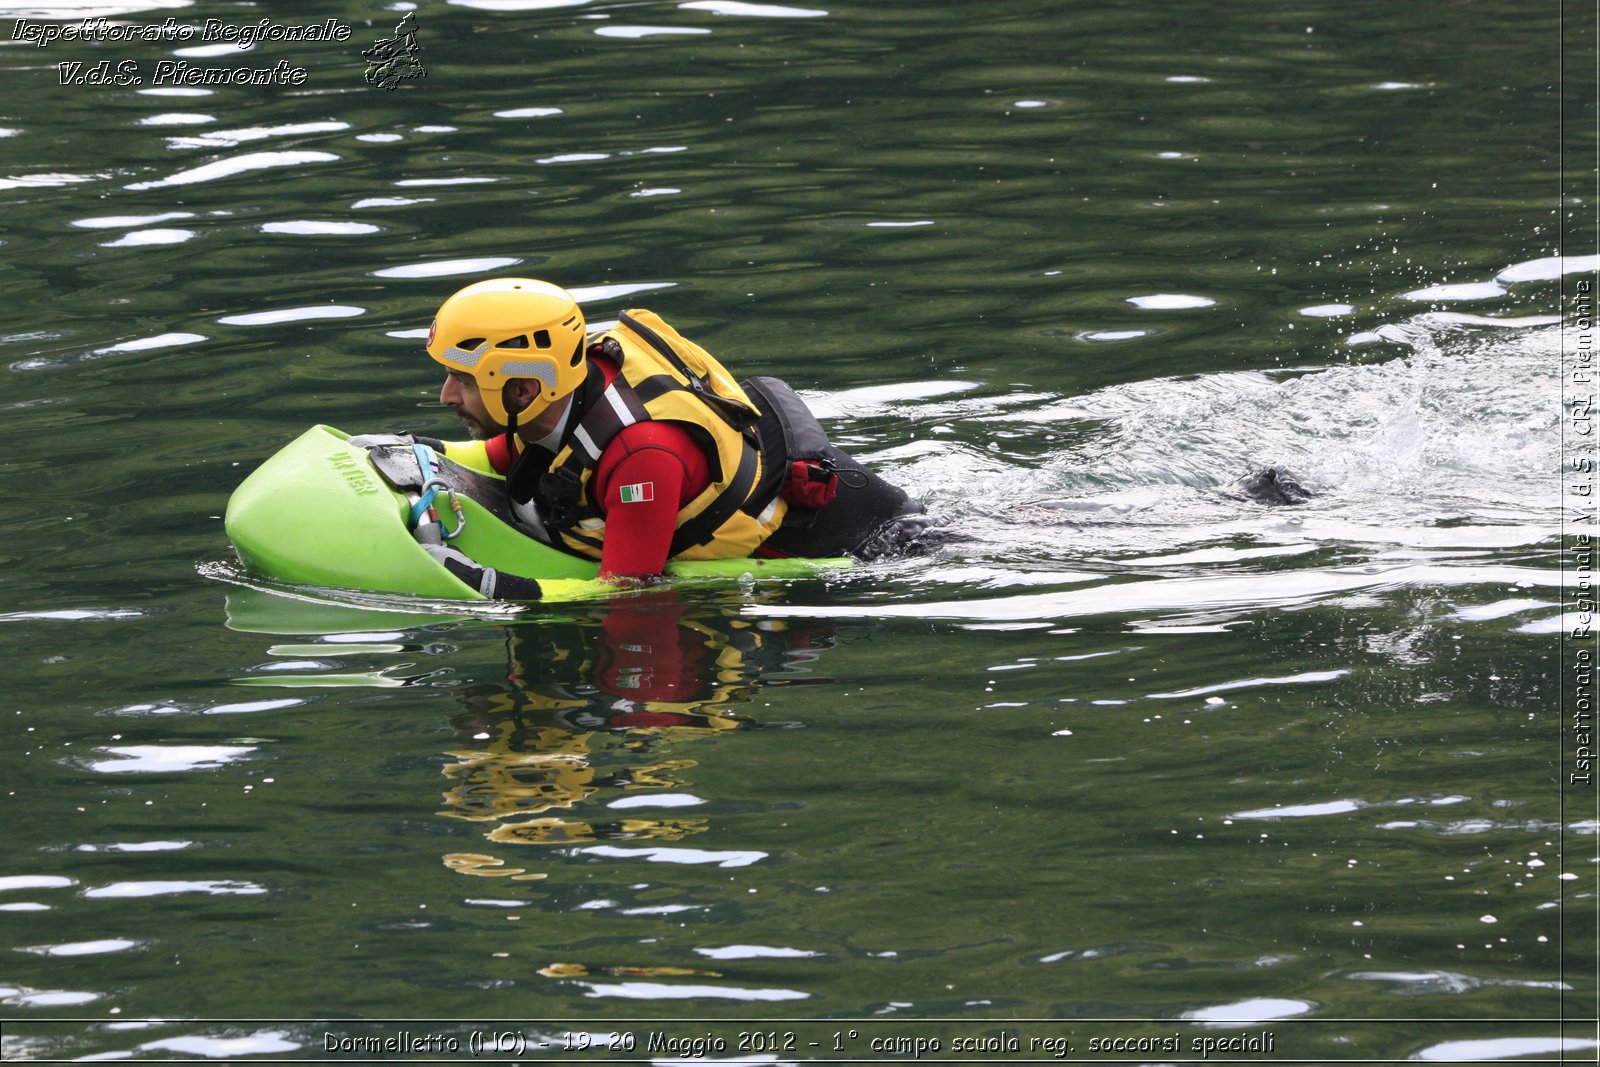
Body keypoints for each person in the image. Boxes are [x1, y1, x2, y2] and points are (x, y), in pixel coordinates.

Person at [407, 277, 925, 595]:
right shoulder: (552, 398)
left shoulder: (641, 457)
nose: (446, 396)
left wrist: (493, 587)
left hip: (868, 551)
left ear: (521, 389)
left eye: (463, 380)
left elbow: (630, 592)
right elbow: (502, 457)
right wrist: (413, 451)